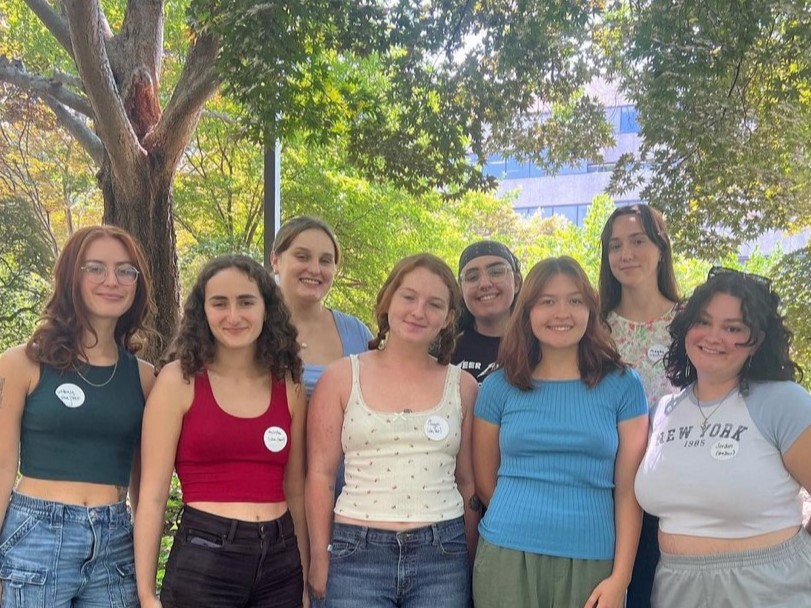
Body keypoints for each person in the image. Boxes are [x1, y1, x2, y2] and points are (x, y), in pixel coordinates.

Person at [473, 256, 648, 608]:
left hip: (593, 561)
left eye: (575, 300)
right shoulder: (498, 387)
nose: (562, 313)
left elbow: (629, 491)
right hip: (507, 555)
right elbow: (485, 483)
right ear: (527, 312)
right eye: (548, 301)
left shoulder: (624, 386)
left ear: (590, 308)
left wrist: (621, 578)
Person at [134, 254, 309, 608]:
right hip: (205, 556)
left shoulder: (288, 382)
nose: (233, 316)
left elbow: (296, 490)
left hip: (280, 559)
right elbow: (152, 495)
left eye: (246, 302)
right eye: (219, 303)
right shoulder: (177, 380)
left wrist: (302, 580)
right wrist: (146, 593)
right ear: (203, 311)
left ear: (266, 308)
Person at [306, 253, 479, 607]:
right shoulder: (340, 377)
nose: (419, 311)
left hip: (443, 552)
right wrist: (320, 558)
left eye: (434, 304)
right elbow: (320, 475)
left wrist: (469, 559)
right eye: (408, 297)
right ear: (388, 300)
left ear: (448, 318)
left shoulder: (463, 386)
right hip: (355, 552)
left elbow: (467, 483)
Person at [635, 267, 811, 607]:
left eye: (733, 328)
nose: (713, 336)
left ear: (757, 341)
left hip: (768, 588)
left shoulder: (783, 402)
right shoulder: (663, 411)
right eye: (703, 322)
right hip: (674, 588)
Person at [0, 225, 156, 607]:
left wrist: (147, 579)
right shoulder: (21, 363)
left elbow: (145, 486)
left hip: (115, 542)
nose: (112, 281)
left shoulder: (146, 377)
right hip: (35, 536)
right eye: (95, 268)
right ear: (71, 275)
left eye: (125, 270)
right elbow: (2, 467)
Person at [598, 204, 681, 608]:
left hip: (674, 495)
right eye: (615, 246)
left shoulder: (693, 323)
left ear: (661, 248)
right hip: (607, 493)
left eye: (637, 241)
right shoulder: (593, 327)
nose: (626, 254)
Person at [270, 216, 372, 399]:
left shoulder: (358, 334)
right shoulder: (249, 326)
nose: (315, 269)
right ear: (275, 261)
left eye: (325, 261)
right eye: (302, 257)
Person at [452, 240, 522, 382]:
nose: (484, 284)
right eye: (472, 277)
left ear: (517, 282)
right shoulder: (444, 348)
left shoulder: (539, 346)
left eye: (496, 272)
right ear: (461, 289)